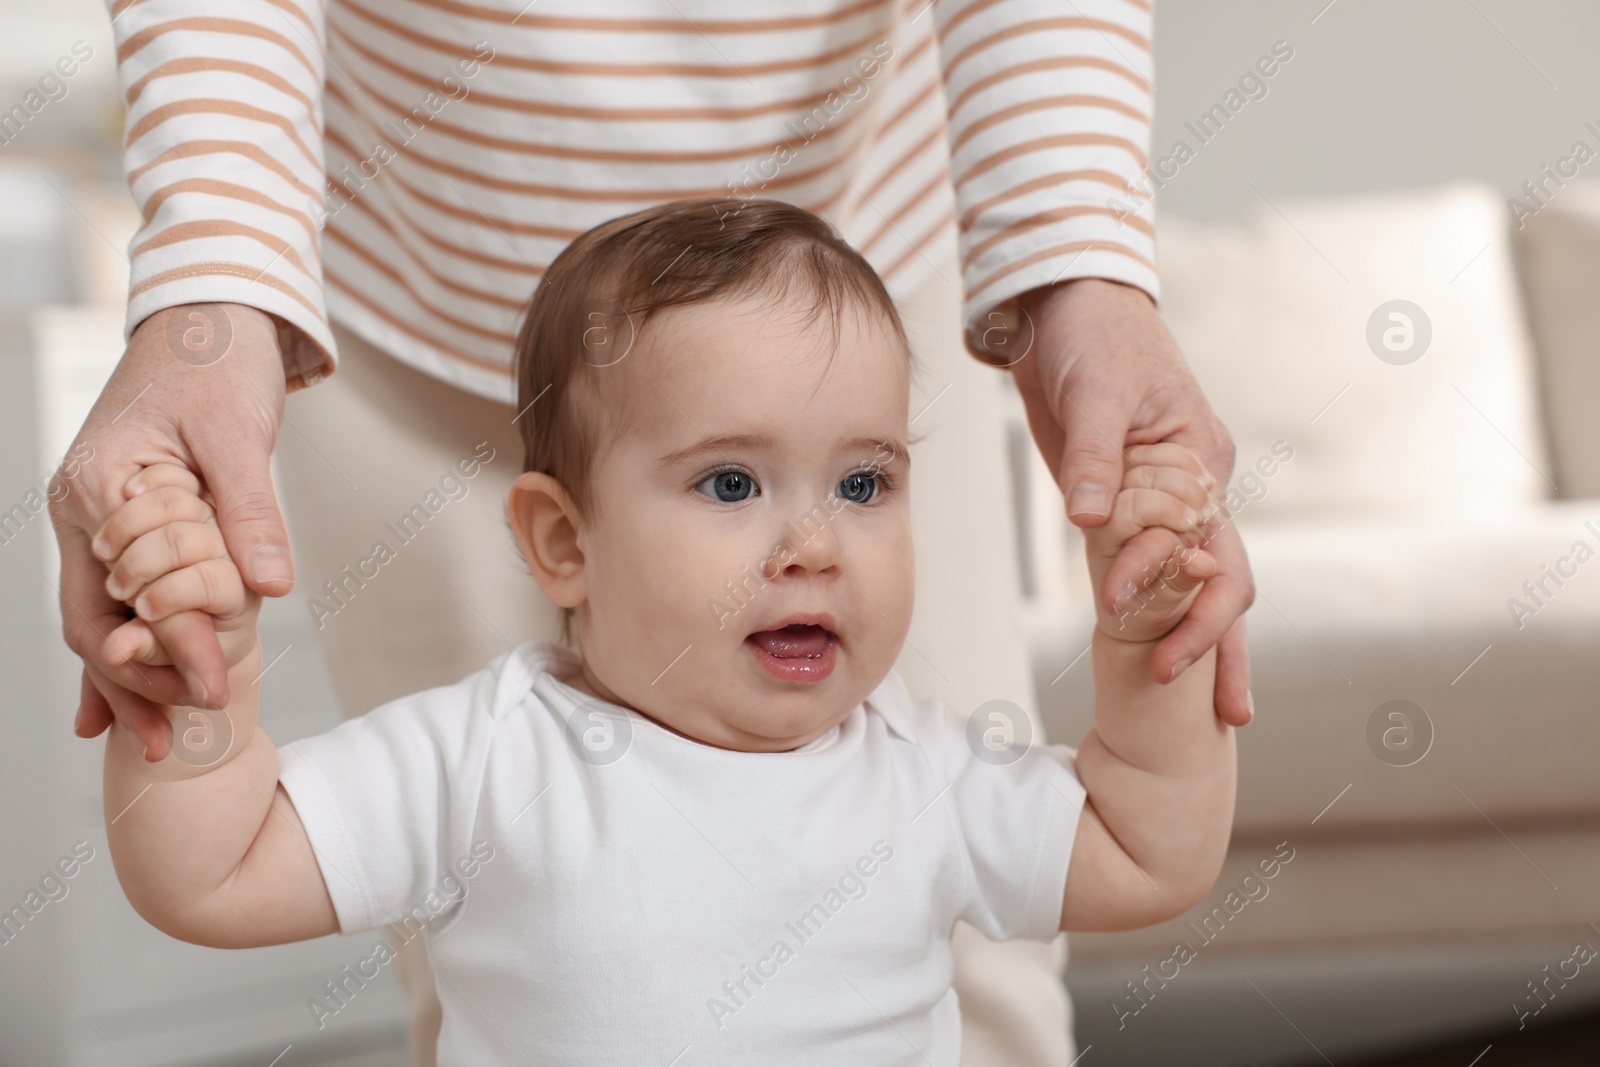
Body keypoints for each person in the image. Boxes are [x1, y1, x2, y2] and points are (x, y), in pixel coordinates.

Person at [56, 2, 1255, 1063]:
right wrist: (197, 669)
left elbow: (1142, 848)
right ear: (561, 542)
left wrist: (1151, 638)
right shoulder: (482, 759)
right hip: (416, 236)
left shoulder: (925, 772)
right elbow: (212, 872)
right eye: (731, 485)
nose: (814, 546)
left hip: (867, 187)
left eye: (866, 483)